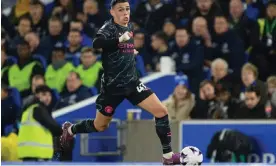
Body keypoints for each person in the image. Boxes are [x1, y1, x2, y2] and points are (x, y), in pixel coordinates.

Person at [60, 0, 180, 165]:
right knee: (100, 126)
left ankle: (168, 157)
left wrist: (131, 51)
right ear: (112, 12)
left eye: (128, 9)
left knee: (161, 111)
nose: (125, 13)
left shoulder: (129, 27)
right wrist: (118, 41)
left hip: (132, 83)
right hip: (112, 87)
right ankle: (71, 129)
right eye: (121, 10)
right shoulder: (108, 28)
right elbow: (97, 44)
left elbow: (122, 48)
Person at [17, 85, 63, 161]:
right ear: (37, 95)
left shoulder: (29, 109)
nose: (48, 98)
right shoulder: (38, 109)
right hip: (37, 155)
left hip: (28, 153)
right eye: (44, 94)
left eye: (49, 95)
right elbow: (54, 127)